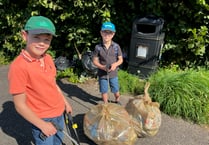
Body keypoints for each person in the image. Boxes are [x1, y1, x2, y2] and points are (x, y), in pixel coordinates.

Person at [8, 16, 72, 145]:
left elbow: (52, 84)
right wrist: (42, 125)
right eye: (36, 37)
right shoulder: (18, 67)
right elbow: (20, 105)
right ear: (25, 35)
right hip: (43, 118)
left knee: (58, 142)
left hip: (59, 113)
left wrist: (65, 102)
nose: (42, 43)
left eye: (46, 39)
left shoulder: (48, 58)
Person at [92, 21, 123, 104]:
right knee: (104, 90)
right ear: (101, 33)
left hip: (113, 73)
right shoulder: (98, 47)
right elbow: (94, 61)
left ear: (113, 34)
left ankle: (117, 99)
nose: (107, 35)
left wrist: (115, 64)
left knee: (115, 89)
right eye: (105, 32)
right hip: (102, 73)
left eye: (109, 33)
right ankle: (106, 104)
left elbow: (120, 60)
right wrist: (101, 67)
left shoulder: (116, 47)